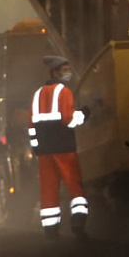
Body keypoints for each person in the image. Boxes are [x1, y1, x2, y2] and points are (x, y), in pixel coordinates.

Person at [29, 55, 90, 238]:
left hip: (44, 151)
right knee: (74, 185)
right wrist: (84, 115)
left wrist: (36, 148)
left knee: (48, 188)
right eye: (64, 70)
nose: (68, 72)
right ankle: (78, 221)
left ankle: (50, 229)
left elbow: (31, 125)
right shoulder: (64, 91)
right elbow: (68, 119)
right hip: (64, 148)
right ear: (54, 72)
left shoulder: (37, 94)